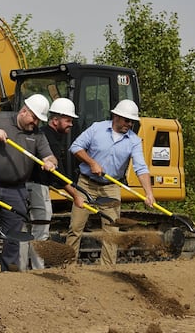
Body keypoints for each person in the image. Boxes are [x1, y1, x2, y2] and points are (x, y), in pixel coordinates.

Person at [0, 94, 57, 276]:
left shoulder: (37, 135)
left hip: (16, 190)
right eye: (34, 118)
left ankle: (9, 274)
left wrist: (50, 163)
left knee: (13, 235)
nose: (35, 123)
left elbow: (49, 156)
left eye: (38, 120)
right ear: (24, 111)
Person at [66, 99, 156, 265]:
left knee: (112, 231)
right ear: (116, 116)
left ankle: (107, 270)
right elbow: (76, 147)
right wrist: (92, 163)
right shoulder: (96, 128)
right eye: (127, 120)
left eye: (132, 122)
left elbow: (141, 168)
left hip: (111, 187)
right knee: (76, 228)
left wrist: (149, 193)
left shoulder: (134, 141)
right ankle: (68, 267)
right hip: (86, 184)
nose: (129, 124)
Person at [19, 97, 85, 270]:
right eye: (68, 120)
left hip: (25, 186)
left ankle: (21, 270)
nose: (71, 124)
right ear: (55, 120)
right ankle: (38, 270)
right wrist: (76, 196)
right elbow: (59, 175)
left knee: (23, 231)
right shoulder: (49, 140)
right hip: (37, 188)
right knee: (40, 231)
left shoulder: (41, 135)